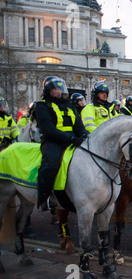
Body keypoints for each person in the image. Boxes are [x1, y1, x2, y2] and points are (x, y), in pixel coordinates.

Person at [34, 76, 89, 211]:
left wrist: (87, 136)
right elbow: (49, 130)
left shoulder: (69, 106)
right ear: (48, 91)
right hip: (54, 141)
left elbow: (79, 126)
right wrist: (69, 139)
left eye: (60, 89)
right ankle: (44, 196)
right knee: (50, 164)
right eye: (55, 89)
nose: (58, 92)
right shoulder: (42, 106)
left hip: (73, 140)